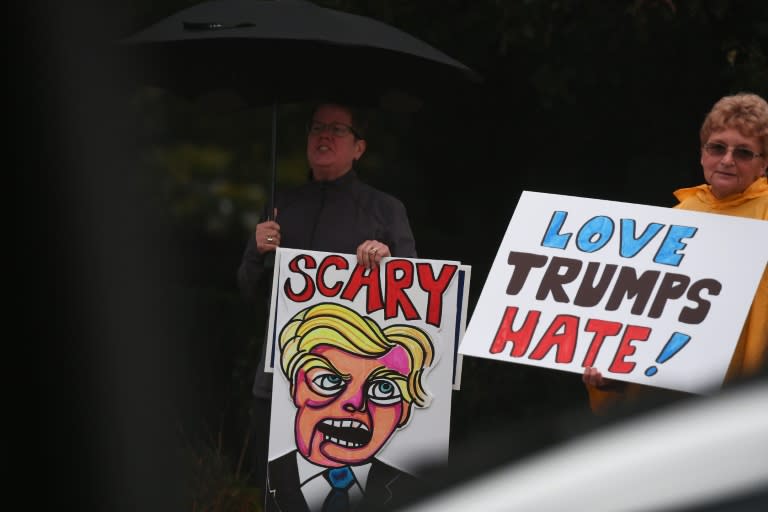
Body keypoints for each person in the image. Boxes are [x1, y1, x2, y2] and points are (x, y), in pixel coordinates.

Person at [237, 101, 418, 488]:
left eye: (338, 130)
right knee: (277, 497)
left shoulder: (385, 210)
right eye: (317, 127)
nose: (324, 135)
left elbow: (417, 302)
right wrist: (256, 249)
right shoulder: (280, 205)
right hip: (277, 383)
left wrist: (389, 264)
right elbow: (246, 291)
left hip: (355, 399)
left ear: (359, 148)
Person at [583, 92, 768, 414]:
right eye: (717, 147)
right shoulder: (675, 218)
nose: (727, 160)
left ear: (763, 164)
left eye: (743, 152)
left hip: (744, 405)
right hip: (673, 410)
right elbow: (644, 319)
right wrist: (613, 377)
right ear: (702, 153)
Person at [266, 302, 432, 511]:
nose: (355, 402)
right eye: (329, 381)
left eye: (383, 388)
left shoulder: (417, 491)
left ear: (404, 411)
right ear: (296, 388)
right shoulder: (268, 477)